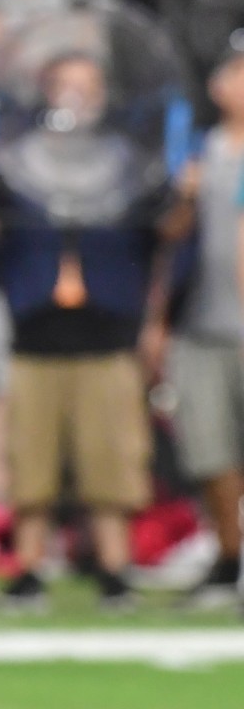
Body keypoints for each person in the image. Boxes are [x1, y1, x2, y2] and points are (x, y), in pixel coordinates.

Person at [0, 51, 168, 610]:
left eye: (85, 86)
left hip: (107, 327)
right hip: (36, 327)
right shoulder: (18, 163)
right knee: (31, 459)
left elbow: (154, 239)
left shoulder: (126, 162)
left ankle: (115, 570)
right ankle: (29, 570)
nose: (74, 96)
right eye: (64, 84)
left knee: (110, 458)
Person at [158, 42, 244, 606]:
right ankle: (229, 557)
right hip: (203, 322)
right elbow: (167, 239)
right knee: (209, 450)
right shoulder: (198, 152)